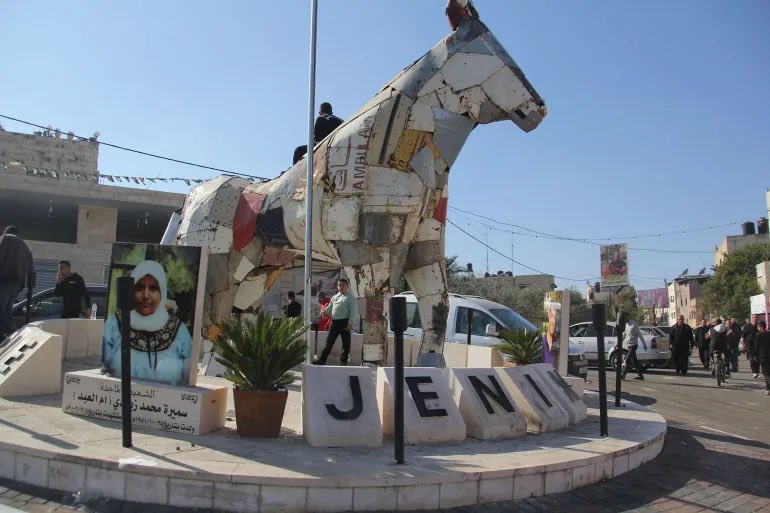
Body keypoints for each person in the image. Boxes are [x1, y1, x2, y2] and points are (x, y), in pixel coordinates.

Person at [101, 260, 192, 386]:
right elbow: (104, 370)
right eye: (139, 288)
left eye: (153, 288)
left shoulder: (179, 331)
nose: (146, 295)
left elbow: (187, 377)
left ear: (162, 293)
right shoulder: (114, 325)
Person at [312, 278, 358, 365]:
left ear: (347, 286)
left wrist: (350, 322)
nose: (341, 287)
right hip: (334, 323)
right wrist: (324, 312)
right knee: (329, 342)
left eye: (343, 285)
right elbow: (329, 307)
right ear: (337, 287)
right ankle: (322, 359)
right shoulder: (335, 297)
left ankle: (343, 361)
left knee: (346, 343)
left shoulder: (350, 297)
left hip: (345, 323)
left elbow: (352, 311)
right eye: (339, 285)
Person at [0, 226, 33, 340]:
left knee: (2, 308)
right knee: (8, 309)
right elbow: (30, 267)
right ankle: (8, 331)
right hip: (18, 284)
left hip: (4, 280)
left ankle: (4, 333)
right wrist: (29, 284)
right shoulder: (25, 246)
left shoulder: (6, 238)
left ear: (6, 232)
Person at [542, 298, 560, 367]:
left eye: (556, 316)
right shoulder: (545, 339)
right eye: (552, 316)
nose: (554, 320)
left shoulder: (557, 336)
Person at [754, 320, 770, 395]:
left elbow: (756, 347)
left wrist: (754, 355)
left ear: (760, 327)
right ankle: (768, 388)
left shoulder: (758, 335)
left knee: (766, 373)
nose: (757, 328)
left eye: (758, 326)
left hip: (763, 356)